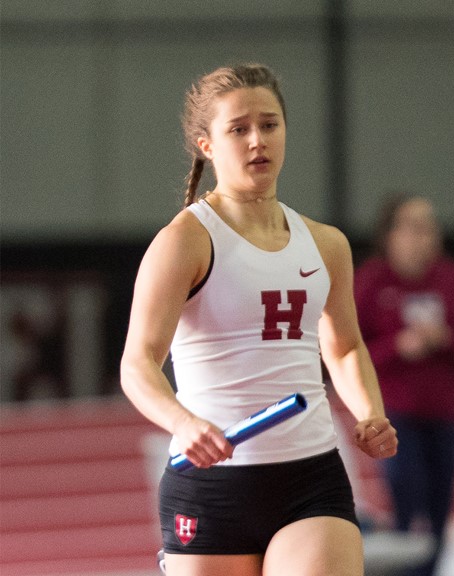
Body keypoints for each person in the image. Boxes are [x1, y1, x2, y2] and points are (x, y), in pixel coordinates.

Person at [120, 63, 397, 576]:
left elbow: (344, 347)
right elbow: (138, 362)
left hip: (311, 477)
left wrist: (368, 412)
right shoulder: (185, 241)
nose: (257, 141)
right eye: (238, 129)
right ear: (207, 145)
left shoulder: (326, 243)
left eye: (269, 125)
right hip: (214, 486)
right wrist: (182, 423)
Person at [353, 193, 454, 576]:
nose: (424, 235)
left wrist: (445, 340)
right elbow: (346, 352)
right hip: (395, 417)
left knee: (440, 516)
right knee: (405, 511)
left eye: (430, 226)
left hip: (444, 416)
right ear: (389, 235)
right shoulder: (370, 283)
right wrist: (397, 347)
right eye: (413, 226)